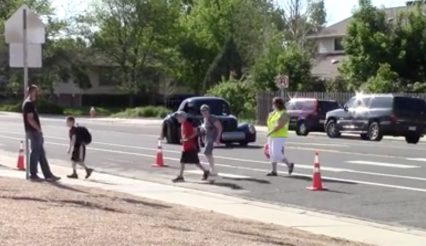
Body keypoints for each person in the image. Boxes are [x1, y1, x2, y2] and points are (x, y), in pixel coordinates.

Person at [22, 85, 60, 182]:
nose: (37, 93)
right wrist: (38, 129)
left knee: (41, 153)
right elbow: (30, 119)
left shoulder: (29, 103)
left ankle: (48, 174)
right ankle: (33, 174)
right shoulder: (29, 103)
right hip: (34, 131)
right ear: (31, 92)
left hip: (34, 131)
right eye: (36, 91)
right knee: (35, 152)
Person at [172, 111, 210, 183]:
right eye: (177, 117)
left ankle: (205, 171)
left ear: (183, 117)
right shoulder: (183, 124)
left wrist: (188, 138)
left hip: (190, 146)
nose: (177, 119)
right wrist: (183, 139)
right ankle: (181, 176)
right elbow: (185, 135)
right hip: (186, 146)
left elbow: (195, 132)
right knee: (184, 162)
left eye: (179, 117)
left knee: (195, 162)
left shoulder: (188, 124)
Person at [266, 97, 295, 176]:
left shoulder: (284, 113)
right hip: (271, 135)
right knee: (271, 153)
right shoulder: (273, 113)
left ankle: (289, 164)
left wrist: (270, 132)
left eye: (273, 103)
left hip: (279, 136)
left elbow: (280, 125)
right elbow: (270, 123)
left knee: (277, 153)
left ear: (278, 104)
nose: (272, 105)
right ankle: (274, 170)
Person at [200, 104, 222, 176]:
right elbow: (205, 130)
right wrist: (203, 138)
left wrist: (218, 137)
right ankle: (212, 168)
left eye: (205, 110)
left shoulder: (212, 118)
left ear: (208, 110)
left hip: (212, 138)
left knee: (207, 152)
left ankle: (213, 169)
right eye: (202, 111)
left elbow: (219, 127)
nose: (204, 112)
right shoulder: (204, 119)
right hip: (207, 138)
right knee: (208, 153)